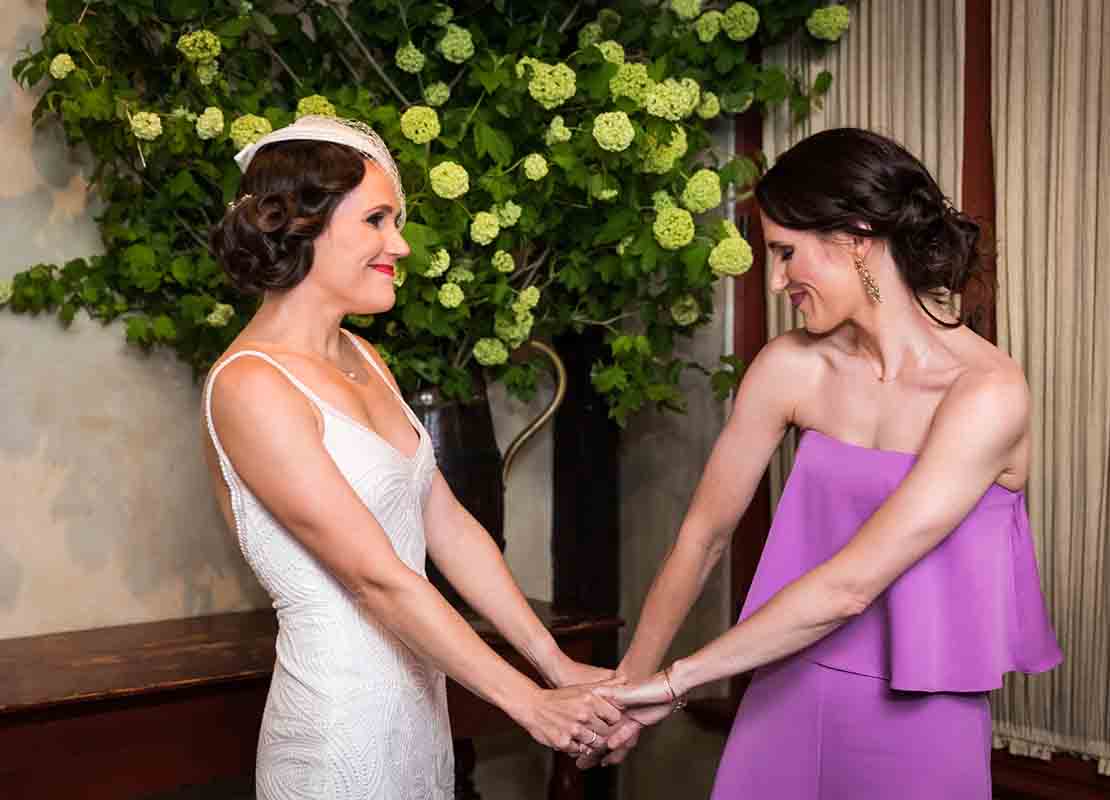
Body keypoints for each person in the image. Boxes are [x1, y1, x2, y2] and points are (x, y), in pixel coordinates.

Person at [586, 128, 1062, 798]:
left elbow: (851, 587)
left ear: (857, 236)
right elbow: (704, 535)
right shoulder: (791, 367)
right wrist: (628, 688)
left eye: (786, 253)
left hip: (922, 716)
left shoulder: (987, 393)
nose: (776, 281)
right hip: (783, 687)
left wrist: (677, 682)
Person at [201, 115, 619, 800]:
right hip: (337, 729)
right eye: (376, 220)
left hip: (420, 712)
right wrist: (527, 703)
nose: (399, 243)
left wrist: (553, 663)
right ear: (300, 225)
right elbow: (378, 581)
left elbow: (446, 524)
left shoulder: (364, 356)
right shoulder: (250, 384)